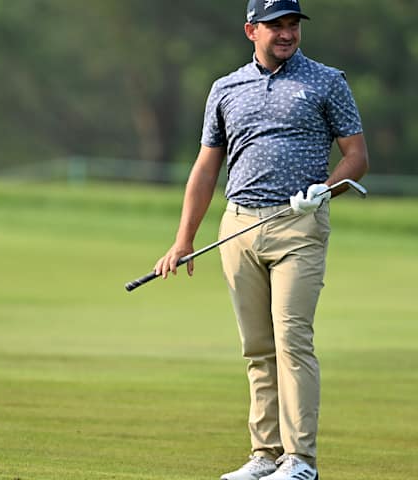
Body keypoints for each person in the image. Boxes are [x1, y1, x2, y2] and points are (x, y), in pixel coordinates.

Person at [154, 1, 369, 479]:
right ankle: (265, 455)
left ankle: (300, 461)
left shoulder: (327, 81)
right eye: (276, 26)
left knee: (292, 338)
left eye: (293, 25)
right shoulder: (225, 89)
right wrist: (183, 238)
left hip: (300, 224)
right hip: (238, 226)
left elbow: (357, 156)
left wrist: (325, 188)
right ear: (251, 30)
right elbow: (207, 166)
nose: (287, 33)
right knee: (257, 347)